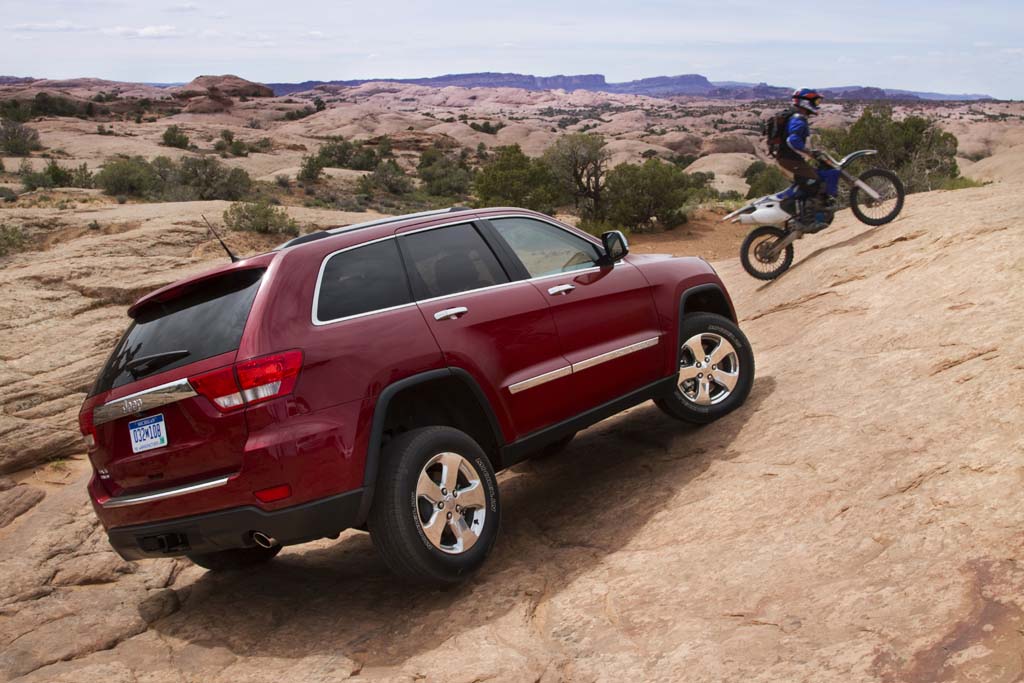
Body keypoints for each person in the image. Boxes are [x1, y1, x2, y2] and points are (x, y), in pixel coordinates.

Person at [777, 88, 828, 232]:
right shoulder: (798, 118)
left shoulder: (795, 115)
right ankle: (808, 221)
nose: (817, 105)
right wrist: (809, 153)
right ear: (806, 102)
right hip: (789, 159)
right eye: (815, 101)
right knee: (815, 182)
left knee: (805, 184)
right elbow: (793, 140)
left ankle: (798, 216)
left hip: (788, 158)